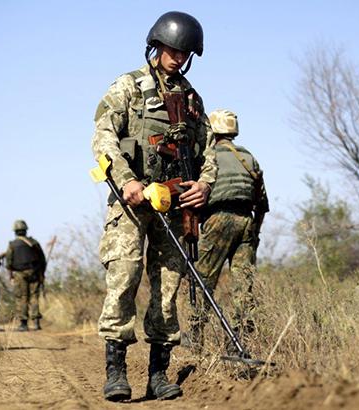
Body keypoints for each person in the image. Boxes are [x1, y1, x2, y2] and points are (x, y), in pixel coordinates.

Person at [91, 11, 217, 402]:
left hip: (174, 203)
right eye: (172, 50)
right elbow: (103, 138)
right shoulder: (127, 87)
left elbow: (209, 152)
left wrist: (204, 185)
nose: (177, 58)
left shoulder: (193, 100)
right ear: (156, 45)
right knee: (123, 279)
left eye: (184, 53)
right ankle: (116, 372)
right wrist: (127, 180)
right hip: (132, 203)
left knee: (168, 288)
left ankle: (158, 375)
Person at [189, 109, 269, 353]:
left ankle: (195, 335)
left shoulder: (207, 158)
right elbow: (262, 203)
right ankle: (240, 339)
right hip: (247, 221)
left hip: (218, 220)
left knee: (202, 278)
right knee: (244, 285)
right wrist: (254, 232)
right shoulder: (248, 157)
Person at [5, 220, 46, 332]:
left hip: (19, 274)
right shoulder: (34, 242)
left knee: (22, 297)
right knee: (34, 297)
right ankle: (36, 323)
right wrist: (42, 274)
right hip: (34, 273)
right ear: (25, 230)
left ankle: (23, 324)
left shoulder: (12, 245)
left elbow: (8, 263)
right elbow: (42, 259)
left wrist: (11, 275)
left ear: (15, 231)